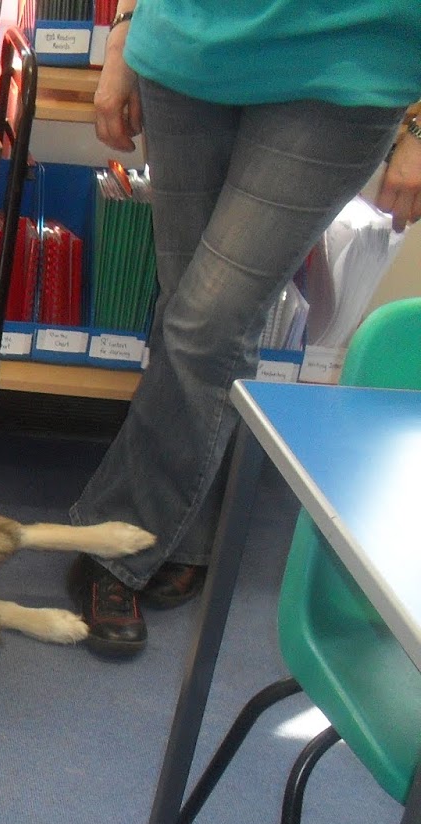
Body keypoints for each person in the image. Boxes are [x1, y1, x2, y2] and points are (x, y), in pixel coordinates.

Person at [66, 0, 421, 658]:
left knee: (210, 319)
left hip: (343, 68)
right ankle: (190, 533)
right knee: (194, 314)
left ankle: (115, 545)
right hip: (186, 52)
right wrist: (124, 32)